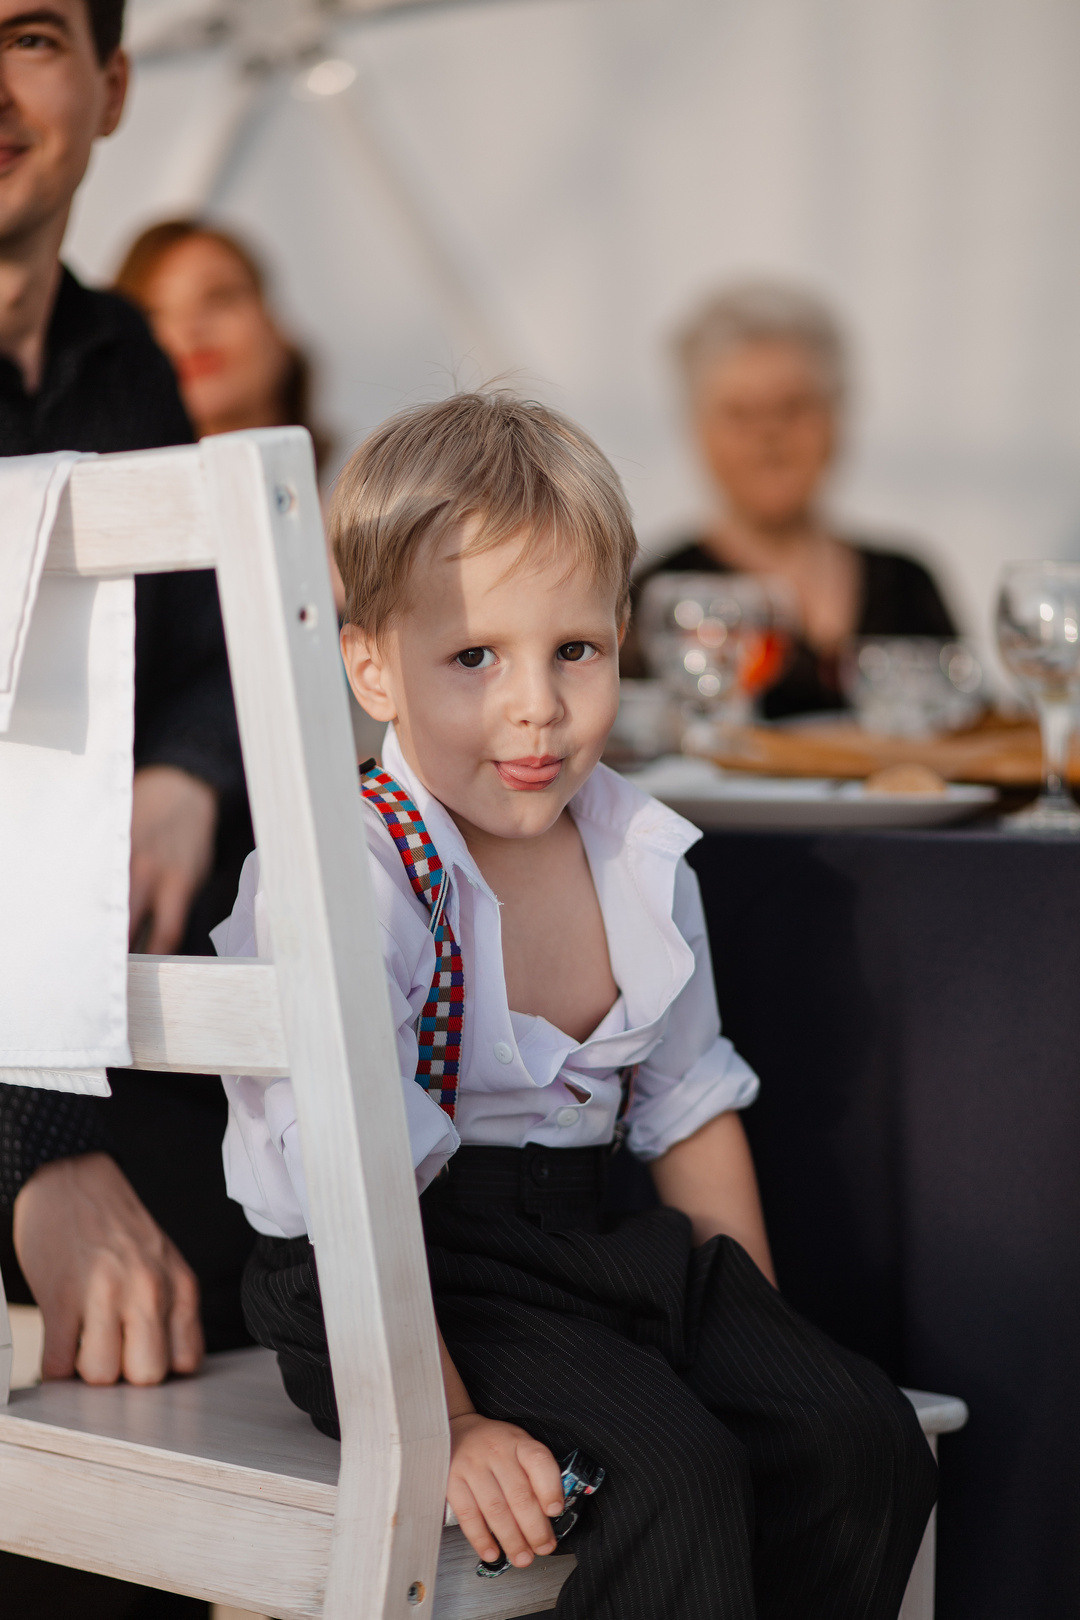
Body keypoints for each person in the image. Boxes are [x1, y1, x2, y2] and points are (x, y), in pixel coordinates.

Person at [216, 391, 937, 1620]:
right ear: (372, 663)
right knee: (677, 1473)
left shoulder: (635, 854)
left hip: (592, 1246)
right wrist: (445, 1421)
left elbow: (690, 1110)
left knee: (857, 1433)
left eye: (576, 651)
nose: (536, 705)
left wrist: (758, 1345)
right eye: (475, 657)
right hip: (398, 1269)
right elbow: (342, 1180)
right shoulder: (357, 868)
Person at [0, 4, 252, 1614]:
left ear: (109, 85)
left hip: (107, 1028)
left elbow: (216, 652)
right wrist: (37, 1150)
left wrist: (192, 769)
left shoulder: (120, 358)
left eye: (26, 35)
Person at [626, 280, 958, 715]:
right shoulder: (659, 597)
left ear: (837, 416)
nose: (769, 437)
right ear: (697, 429)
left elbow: (968, 736)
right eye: (740, 413)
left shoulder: (907, 583)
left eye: (794, 407)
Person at [114, 217, 345, 611]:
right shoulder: (118, 573)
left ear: (278, 330)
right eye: (154, 312)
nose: (190, 328)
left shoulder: (382, 527)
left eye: (219, 298)